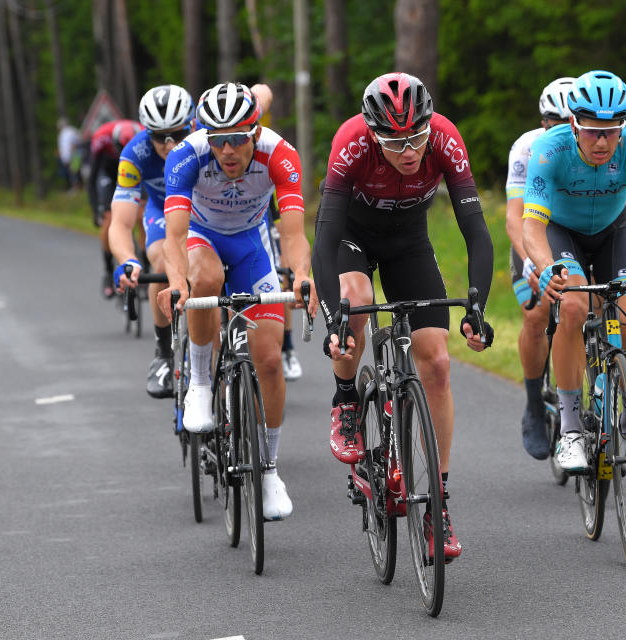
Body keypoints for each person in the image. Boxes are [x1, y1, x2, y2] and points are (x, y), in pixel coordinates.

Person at [311, 72, 494, 560]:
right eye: (395, 140)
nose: (410, 149)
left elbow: (476, 232)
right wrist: (334, 317)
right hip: (351, 238)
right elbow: (325, 241)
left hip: (408, 242)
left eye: (417, 136)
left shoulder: (445, 139)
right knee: (355, 295)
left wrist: (476, 303)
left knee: (437, 361)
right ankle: (347, 398)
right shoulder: (351, 143)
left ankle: (437, 503)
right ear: (374, 134)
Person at [157, 82, 314, 521]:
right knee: (205, 277)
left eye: (237, 139)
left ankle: (268, 471)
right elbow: (172, 236)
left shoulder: (279, 154)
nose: (227, 151)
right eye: (218, 140)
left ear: (255, 132)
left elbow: (295, 233)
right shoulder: (186, 156)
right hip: (201, 238)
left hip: (251, 246)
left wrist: (301, 275)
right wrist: (176, 284)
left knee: (268, 360)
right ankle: (202, 385)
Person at [522, 70, 626, 478]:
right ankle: (571, 428)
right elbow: (532, 226)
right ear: (574, 124)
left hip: (614, 234)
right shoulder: (549, 149)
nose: (602, 142)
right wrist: (547, 268)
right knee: (575, 306)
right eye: (593, 132)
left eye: (612, 132)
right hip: (563, 235)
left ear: (624, 127)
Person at [505, 77, 626, 459]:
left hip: (593, 234)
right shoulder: (530, 148)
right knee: (536, 316)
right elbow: (517, 219)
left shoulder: (603, 145)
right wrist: (537, 263)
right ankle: (535, 403)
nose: (556, 126)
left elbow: (621, 203)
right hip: (536, 237)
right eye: (550, 119)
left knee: (604, 300)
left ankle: (602, 380)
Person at [109, 84, 195, 398]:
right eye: (160, 136)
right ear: (148, 133)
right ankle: (162, 352)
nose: (169, 144)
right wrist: (128, 260)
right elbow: (120, 222)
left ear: (193, 123)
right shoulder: (135, 153)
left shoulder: (207, 137)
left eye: (177, 134)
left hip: (204, 209)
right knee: (161, 260)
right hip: (161, 210)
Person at [88, 118, 144, 298]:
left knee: (144, 215)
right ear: (113, 143)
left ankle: (146, 264)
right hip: (109, 175)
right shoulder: (100, 139)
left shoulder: (145, 134)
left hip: (135, 170)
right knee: (109, 219)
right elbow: (92, 177)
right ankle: (107, 271)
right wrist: (95, 210)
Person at [266, 198, 304, 381]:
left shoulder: (260, 189)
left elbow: (282, 234)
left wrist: (288, 272)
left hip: (264, 237)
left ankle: (287, 348)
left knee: (281, 285)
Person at [56, 118, 82, 191]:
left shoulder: (71, 131)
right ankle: (76, 187)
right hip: (68, 156)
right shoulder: (62, 134)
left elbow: (78, 140)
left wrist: (73, 149)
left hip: (75, 154)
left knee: (74, 171)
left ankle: (77, 187)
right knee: (72, 172)